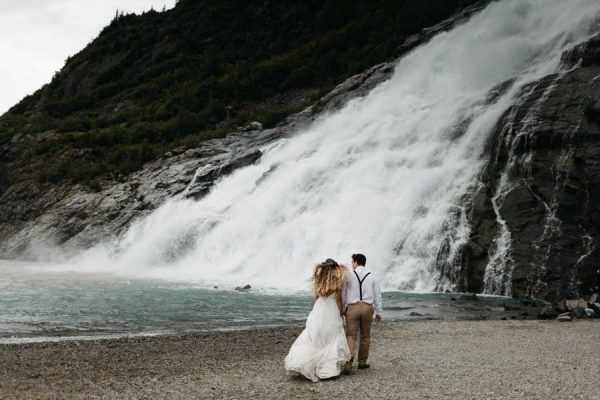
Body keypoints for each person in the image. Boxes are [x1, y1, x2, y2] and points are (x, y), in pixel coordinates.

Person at [284, 259, 351, 382]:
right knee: (331, 338)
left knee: (315, 338)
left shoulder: (318, 281)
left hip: (319, 309)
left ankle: (310, 365)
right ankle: (328, 369)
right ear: (333, 269)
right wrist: (341, 312)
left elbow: (316, 298)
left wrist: (317, 311)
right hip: (331, 309)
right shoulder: (336, 282)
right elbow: (338, 300)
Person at [342, 253, 383, 374]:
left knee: (351, 336)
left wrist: (343, 308)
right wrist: (379, 312)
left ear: (355, 262)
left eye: (352, 262)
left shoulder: (348, 276)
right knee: (365, 336)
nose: (351, 264)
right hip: (367, 308)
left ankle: (349, 362)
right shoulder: (372, 277)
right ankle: (362, 362)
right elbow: (378, 296)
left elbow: (343, 294)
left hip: (353, 307)